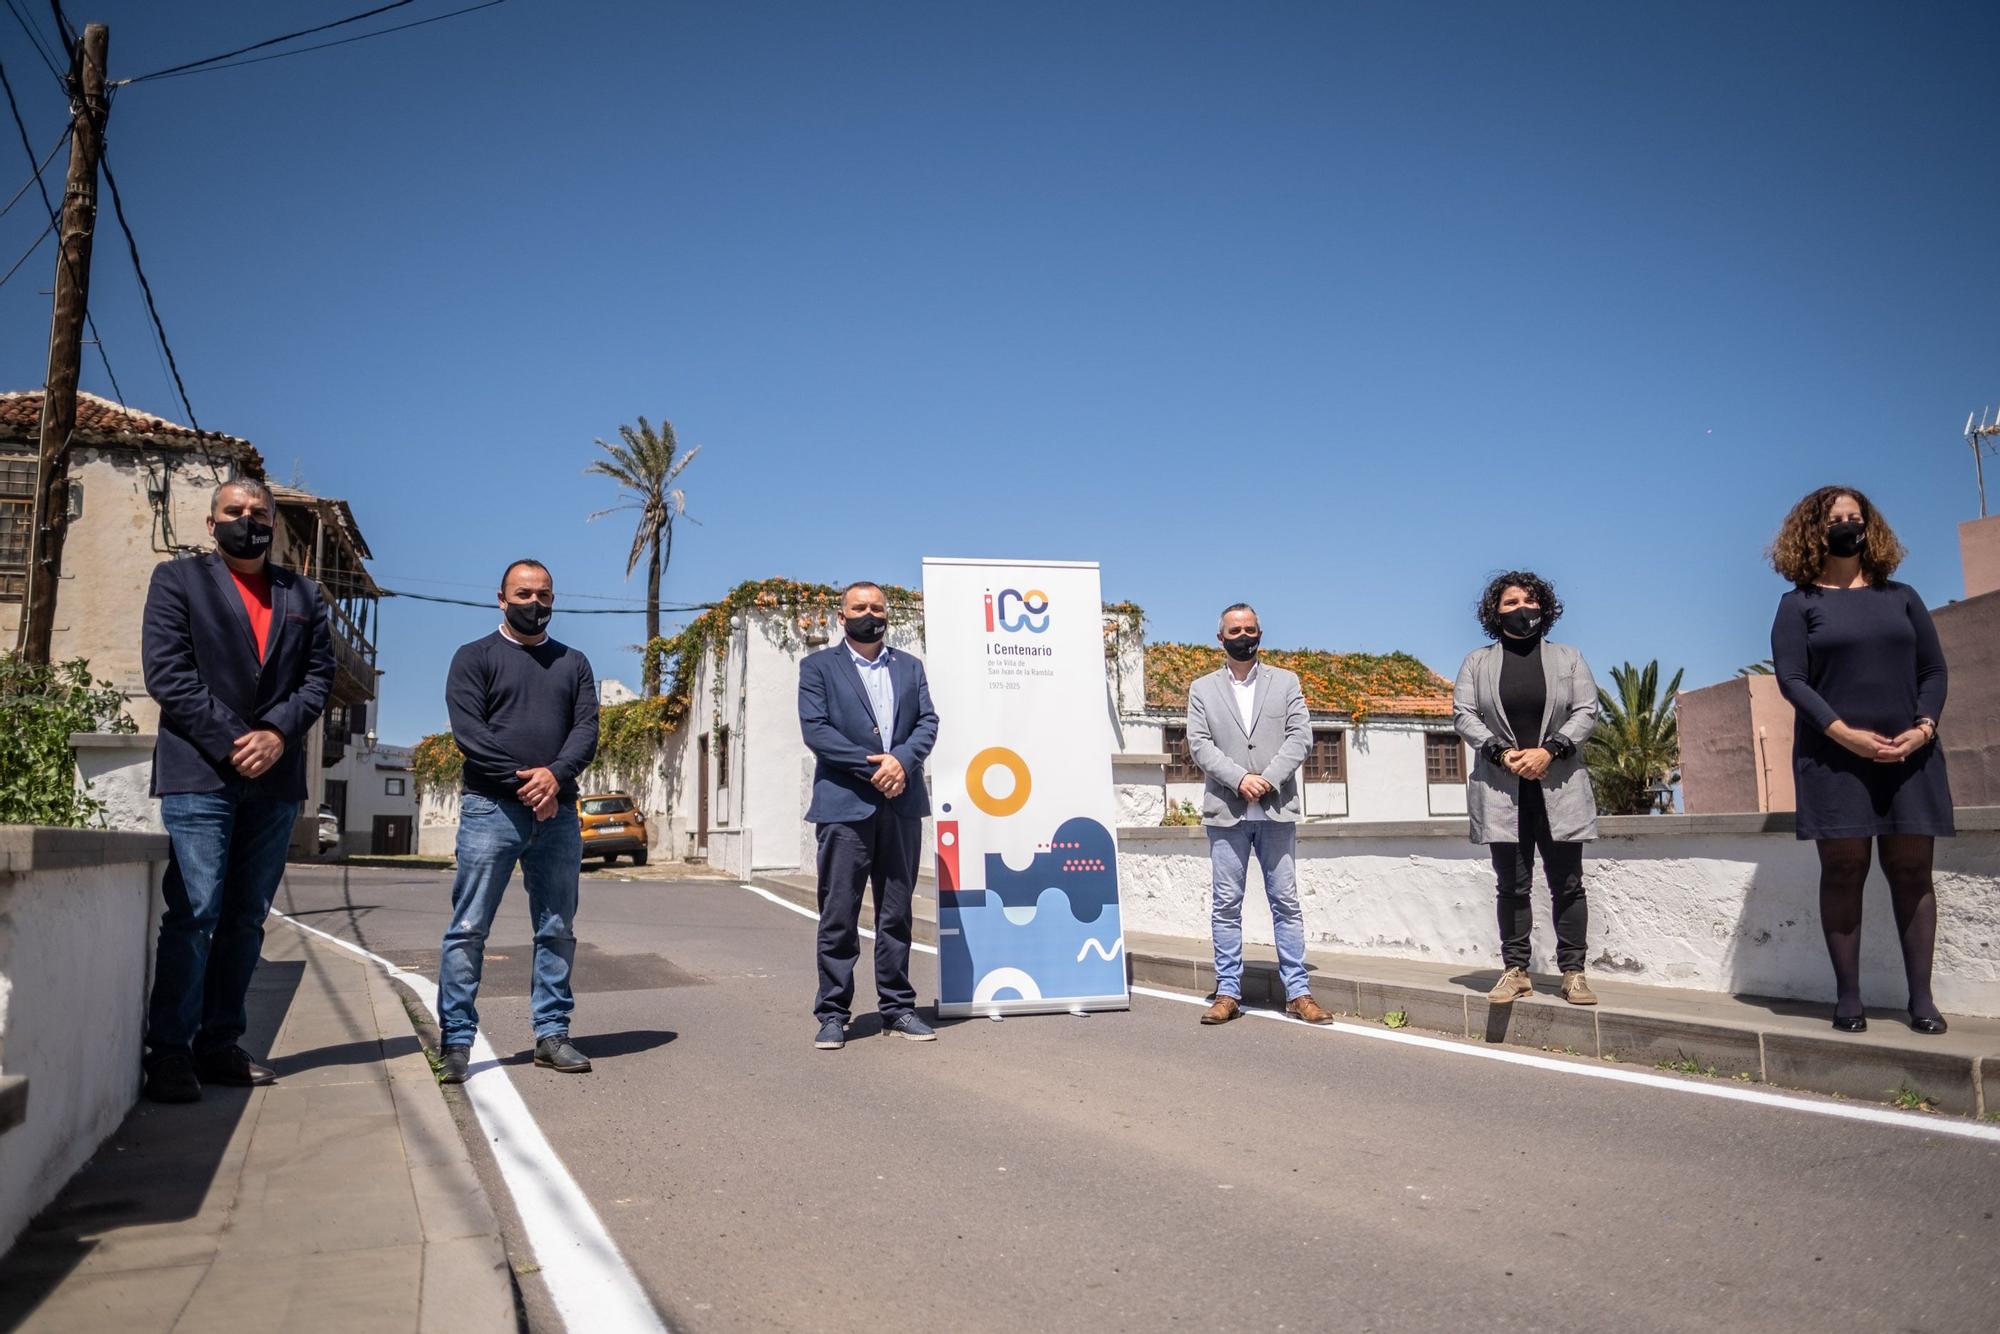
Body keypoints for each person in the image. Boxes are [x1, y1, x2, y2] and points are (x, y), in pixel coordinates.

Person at [138, 476, 335, 1103]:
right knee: (195, 913)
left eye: (257, 513)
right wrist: (233, 739)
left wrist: (275, 735)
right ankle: (169, 1052)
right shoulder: (178, 582)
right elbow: (168, 674)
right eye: (234, 511)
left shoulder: (303, 593)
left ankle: (219, 1043)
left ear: (273, 524)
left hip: (274, 781)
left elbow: (318, 676)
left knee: (247, 919)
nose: (246, 520)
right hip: (200, 773)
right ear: (210, 522)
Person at [1769, 486, 1952, 1035]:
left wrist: (1923, 729)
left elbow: (1934, 672)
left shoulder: (1903, 596)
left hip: (1910, 756)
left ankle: (1921, 1000)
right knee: (1844, 870)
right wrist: (1843, 734)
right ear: (1813, 531)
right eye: (1835, 519)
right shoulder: (1799, 604)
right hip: (1835, 759)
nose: (1847, 525)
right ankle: (1849, 1000)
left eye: (1856, 517)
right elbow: (1792, 681)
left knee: (1913, 872)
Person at [435, 560, 600, 1082]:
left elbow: (585, 730)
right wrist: (529, 785)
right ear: (501, 599)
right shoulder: (474, 658)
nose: (535, 604)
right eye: (524, 594)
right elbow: (471, 734)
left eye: (544, 595)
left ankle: (551, 1035)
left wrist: (555, 777)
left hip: (558, 815)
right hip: (491, 810)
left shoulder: (573, 663)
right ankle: (457, 1042)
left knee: (557, 929)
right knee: (468, 929)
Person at [797, 581, 940, 1049]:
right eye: (859, 607)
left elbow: (927, 722)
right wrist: (875, 768)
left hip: (901, 806)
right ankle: (834, 1013)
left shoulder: (910, 667)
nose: (869, 613)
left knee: (896, 914)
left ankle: (897, 1007)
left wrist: (903, 760)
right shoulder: (818, 667)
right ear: (842, 616)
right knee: (839, 913)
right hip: (844, 808)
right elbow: (816, 731)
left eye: (877, 607)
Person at [1452, 572, 1601, 1006]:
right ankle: (1516, 970)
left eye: (1530, 600)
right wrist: (1502, 753)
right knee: (1512, 886)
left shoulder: (1569, 658)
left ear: (1545, 607)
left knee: (1568, 884)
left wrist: (1549, 751)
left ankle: (1573, 973)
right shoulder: (1476, 663)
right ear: (1494, 613)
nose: (1522, 608)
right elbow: (1463, 714)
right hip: (1502, 790)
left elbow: (1586, 711)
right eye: (1510, 602)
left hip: (1559, 785)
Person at [1184, 604, 1334, 1026]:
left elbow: (1300, 737)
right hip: (1226, 812)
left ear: (1260, 634)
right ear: (1221, 638)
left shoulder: (1286, 683)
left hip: (1276, 809)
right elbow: (1199, 744)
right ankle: (1228, 992)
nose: (1243, 635)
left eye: (1250, 628)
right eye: (1235, 629)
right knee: (1226, 905)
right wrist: (1239, 779)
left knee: (1286, 902)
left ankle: (1298, 992)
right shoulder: (1202, 689)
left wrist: (1265, 779)